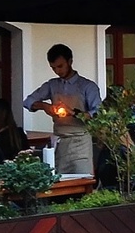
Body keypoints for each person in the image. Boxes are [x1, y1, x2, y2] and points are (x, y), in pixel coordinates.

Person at [23, 44, 101, 174]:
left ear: (70, 61)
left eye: (60, 66)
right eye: (53, 68)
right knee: (59, 178)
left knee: (82, 178)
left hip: (80, 141)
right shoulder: (52, 85)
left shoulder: (87, 86)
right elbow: (28, 101)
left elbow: (97, 114)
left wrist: (73, 112)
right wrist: (44, 106)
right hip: (60, 141)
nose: (57, 71)